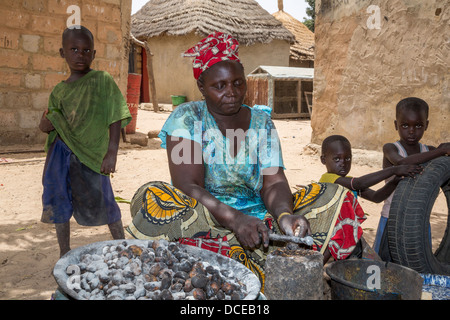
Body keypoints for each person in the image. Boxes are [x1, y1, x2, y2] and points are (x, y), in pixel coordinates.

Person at [127, 32, 369, 289]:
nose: (231, 92)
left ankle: (234, 265)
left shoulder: (261, 123)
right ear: (201, 86)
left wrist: (285, 215)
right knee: (154, 196)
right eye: (219, 86)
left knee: (336, 196)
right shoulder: (188, 119)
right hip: (204, 217)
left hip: (260, 221)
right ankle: (260, 265)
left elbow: (273, 183)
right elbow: (189, 186)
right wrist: (235, 220)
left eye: (238, 83)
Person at [39, 26, 132, 257]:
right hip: (59, 155)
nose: (80, 54)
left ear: (94, 54)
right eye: (74, 49)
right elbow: (46, 124)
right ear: (63, 53)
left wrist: (111, 153)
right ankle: (64, 251)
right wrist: (45, 124)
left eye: (86, 50)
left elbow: (116, 116)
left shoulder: (102, 80)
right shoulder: (59, 91)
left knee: (106, 200)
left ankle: (124, 245)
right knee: (59, 200)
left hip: (91, 156)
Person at [374, 97, 450, 259]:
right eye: (405, 125)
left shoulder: (428, 150)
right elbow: (401, 163)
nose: (411, 131)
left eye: (418, 126)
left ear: (426, 126)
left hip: (419, 221)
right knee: (385, 267)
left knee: (419, 265)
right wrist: (440, 151)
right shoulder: (391, 149)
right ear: (396, 125)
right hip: (391, 219)